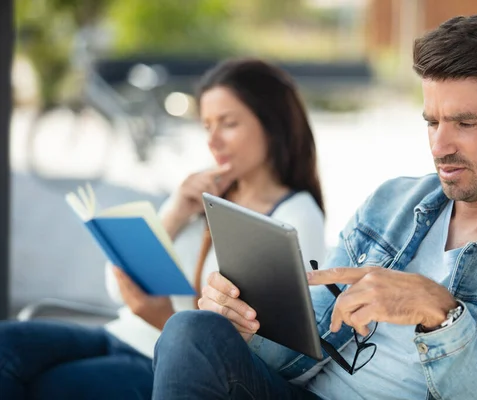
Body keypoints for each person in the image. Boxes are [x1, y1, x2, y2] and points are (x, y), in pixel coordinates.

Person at [152, 13, 477, 400]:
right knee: (194, 331)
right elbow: (303, 354)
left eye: (465, 123)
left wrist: (442, 319)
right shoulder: (391, 203)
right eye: (432, 122)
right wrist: (250, 329)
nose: (440, 146)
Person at [0, 58, 326, 399]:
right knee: (5, 345)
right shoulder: (205, 193)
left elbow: (278, 353)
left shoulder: (295, 216)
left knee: (47, 387)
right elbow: (116, 287)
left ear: (273, 125)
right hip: (122, 333)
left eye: (228, 124)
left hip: (171, 364)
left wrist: (165, 318)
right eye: (206, 126)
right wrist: (177, 210)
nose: (213, 141)